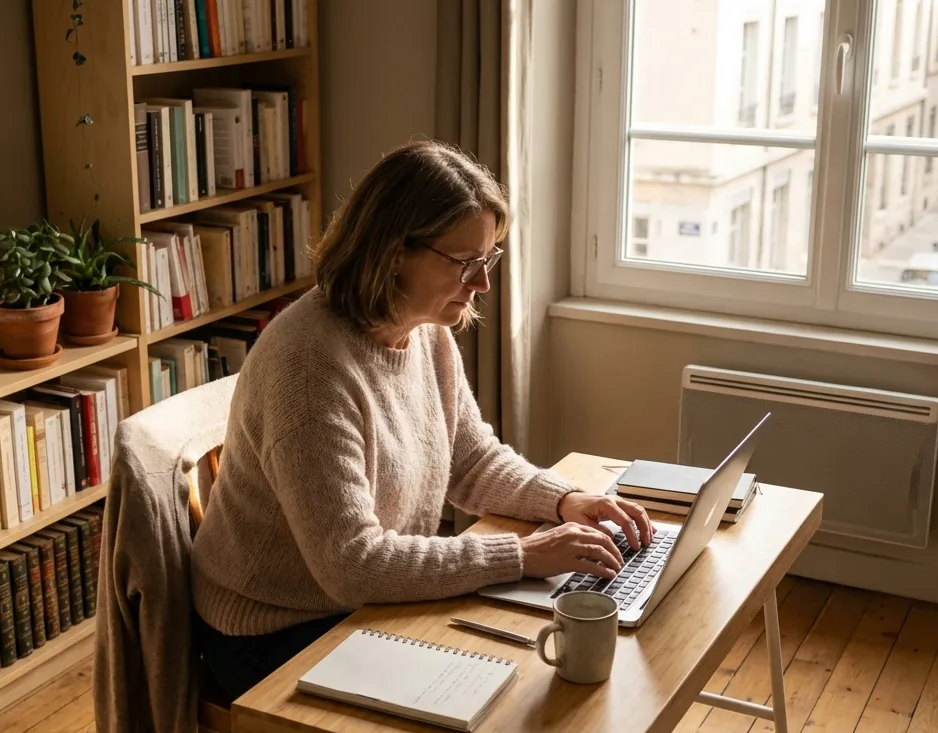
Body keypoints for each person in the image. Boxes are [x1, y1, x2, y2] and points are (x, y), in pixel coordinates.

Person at [190, 140, 655, 700]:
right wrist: (521, 555)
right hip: (273, 629)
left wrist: (564, 501)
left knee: (523, 671)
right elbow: (352, 564)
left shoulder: (424, 330)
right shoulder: (309, 367)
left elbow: (470, 458)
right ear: (392, 253)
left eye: (489, 260)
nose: (482, 283)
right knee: (503, 690)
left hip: (357, 602)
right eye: (466, 263)